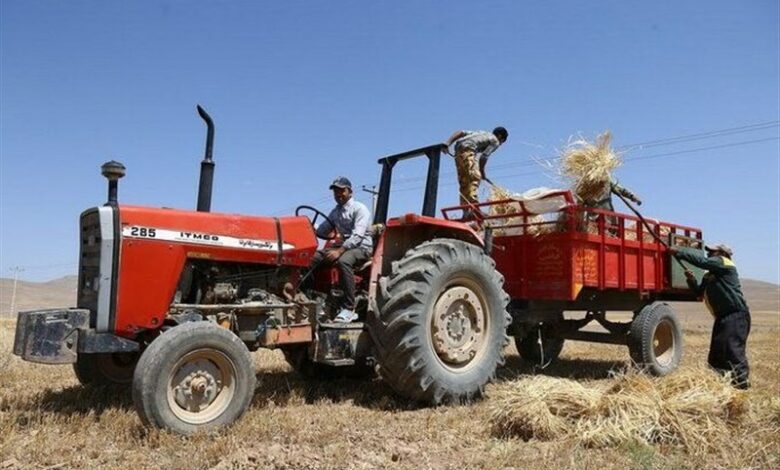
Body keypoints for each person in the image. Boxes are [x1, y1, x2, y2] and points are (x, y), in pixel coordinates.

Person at [670, 243, 751, 389]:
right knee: (717, 352)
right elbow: (699, 293)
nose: (708, 254)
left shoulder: (725, 263)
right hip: (722, 317)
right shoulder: (709, 276)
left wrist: (680, 252)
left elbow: (702, 262)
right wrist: (691, 280)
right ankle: (718, 385)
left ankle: (742, 386)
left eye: (712, 252)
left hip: (736, 315)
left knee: (732, 350)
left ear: (722, 254)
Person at [311, 176, 373, 323]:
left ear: (349, 191)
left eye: (341, 190)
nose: (338, 194)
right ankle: (310, 297)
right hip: (343, 246)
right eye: (335, 191)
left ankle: (349, 308)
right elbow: (322, 231)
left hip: (362, 247)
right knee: (311, 258)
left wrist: (339, 251)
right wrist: (310, 229)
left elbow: (358, 236)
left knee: (344, 261)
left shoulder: (360, 209)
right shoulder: (335, 212)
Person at [444, 127, 508, 207]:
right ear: (500, 136)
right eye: (502, 142)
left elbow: (460, 132)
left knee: (464, 181)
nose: (500, 144)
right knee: (474, 177)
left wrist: (448, 143)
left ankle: (466, 209)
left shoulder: (480, 133)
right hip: (468, 150)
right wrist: (482, 172)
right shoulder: (495, 140)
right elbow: (484, 157)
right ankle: (474, 207)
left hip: (458, 151)